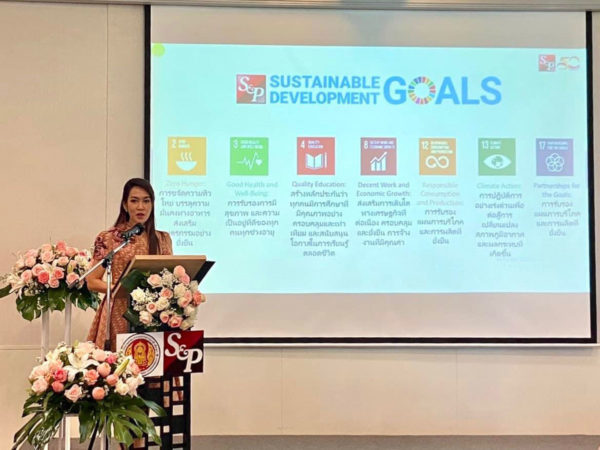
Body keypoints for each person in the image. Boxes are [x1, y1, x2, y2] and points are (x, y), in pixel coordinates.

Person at [86, 178, 173, 351]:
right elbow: (92, 281)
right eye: (134, 201)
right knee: (119, 361)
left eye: (146, 201)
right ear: (125, 205)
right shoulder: (109, 238)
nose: (141, 207)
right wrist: (123, 290)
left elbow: (170, 279)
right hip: (119, 311)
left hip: (153, 313)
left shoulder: (162, 239)